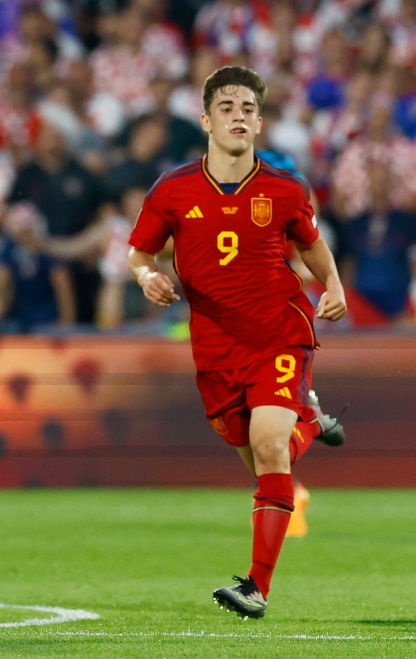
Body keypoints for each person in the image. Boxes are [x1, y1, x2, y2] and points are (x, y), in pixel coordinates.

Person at [127, 66, 348, 620]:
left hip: (279, 332)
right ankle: (311, 423)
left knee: (269, 446)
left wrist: (335, 286)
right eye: (227, 108)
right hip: (215, 346)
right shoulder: (172, 191)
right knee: (257, 454)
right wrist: (146, 277)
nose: (238, 117)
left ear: (260, 121)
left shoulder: (283, 190)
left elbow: (312, 247)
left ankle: (257, 587)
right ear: (206, 120)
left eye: (248, 108)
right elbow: (139, 253)